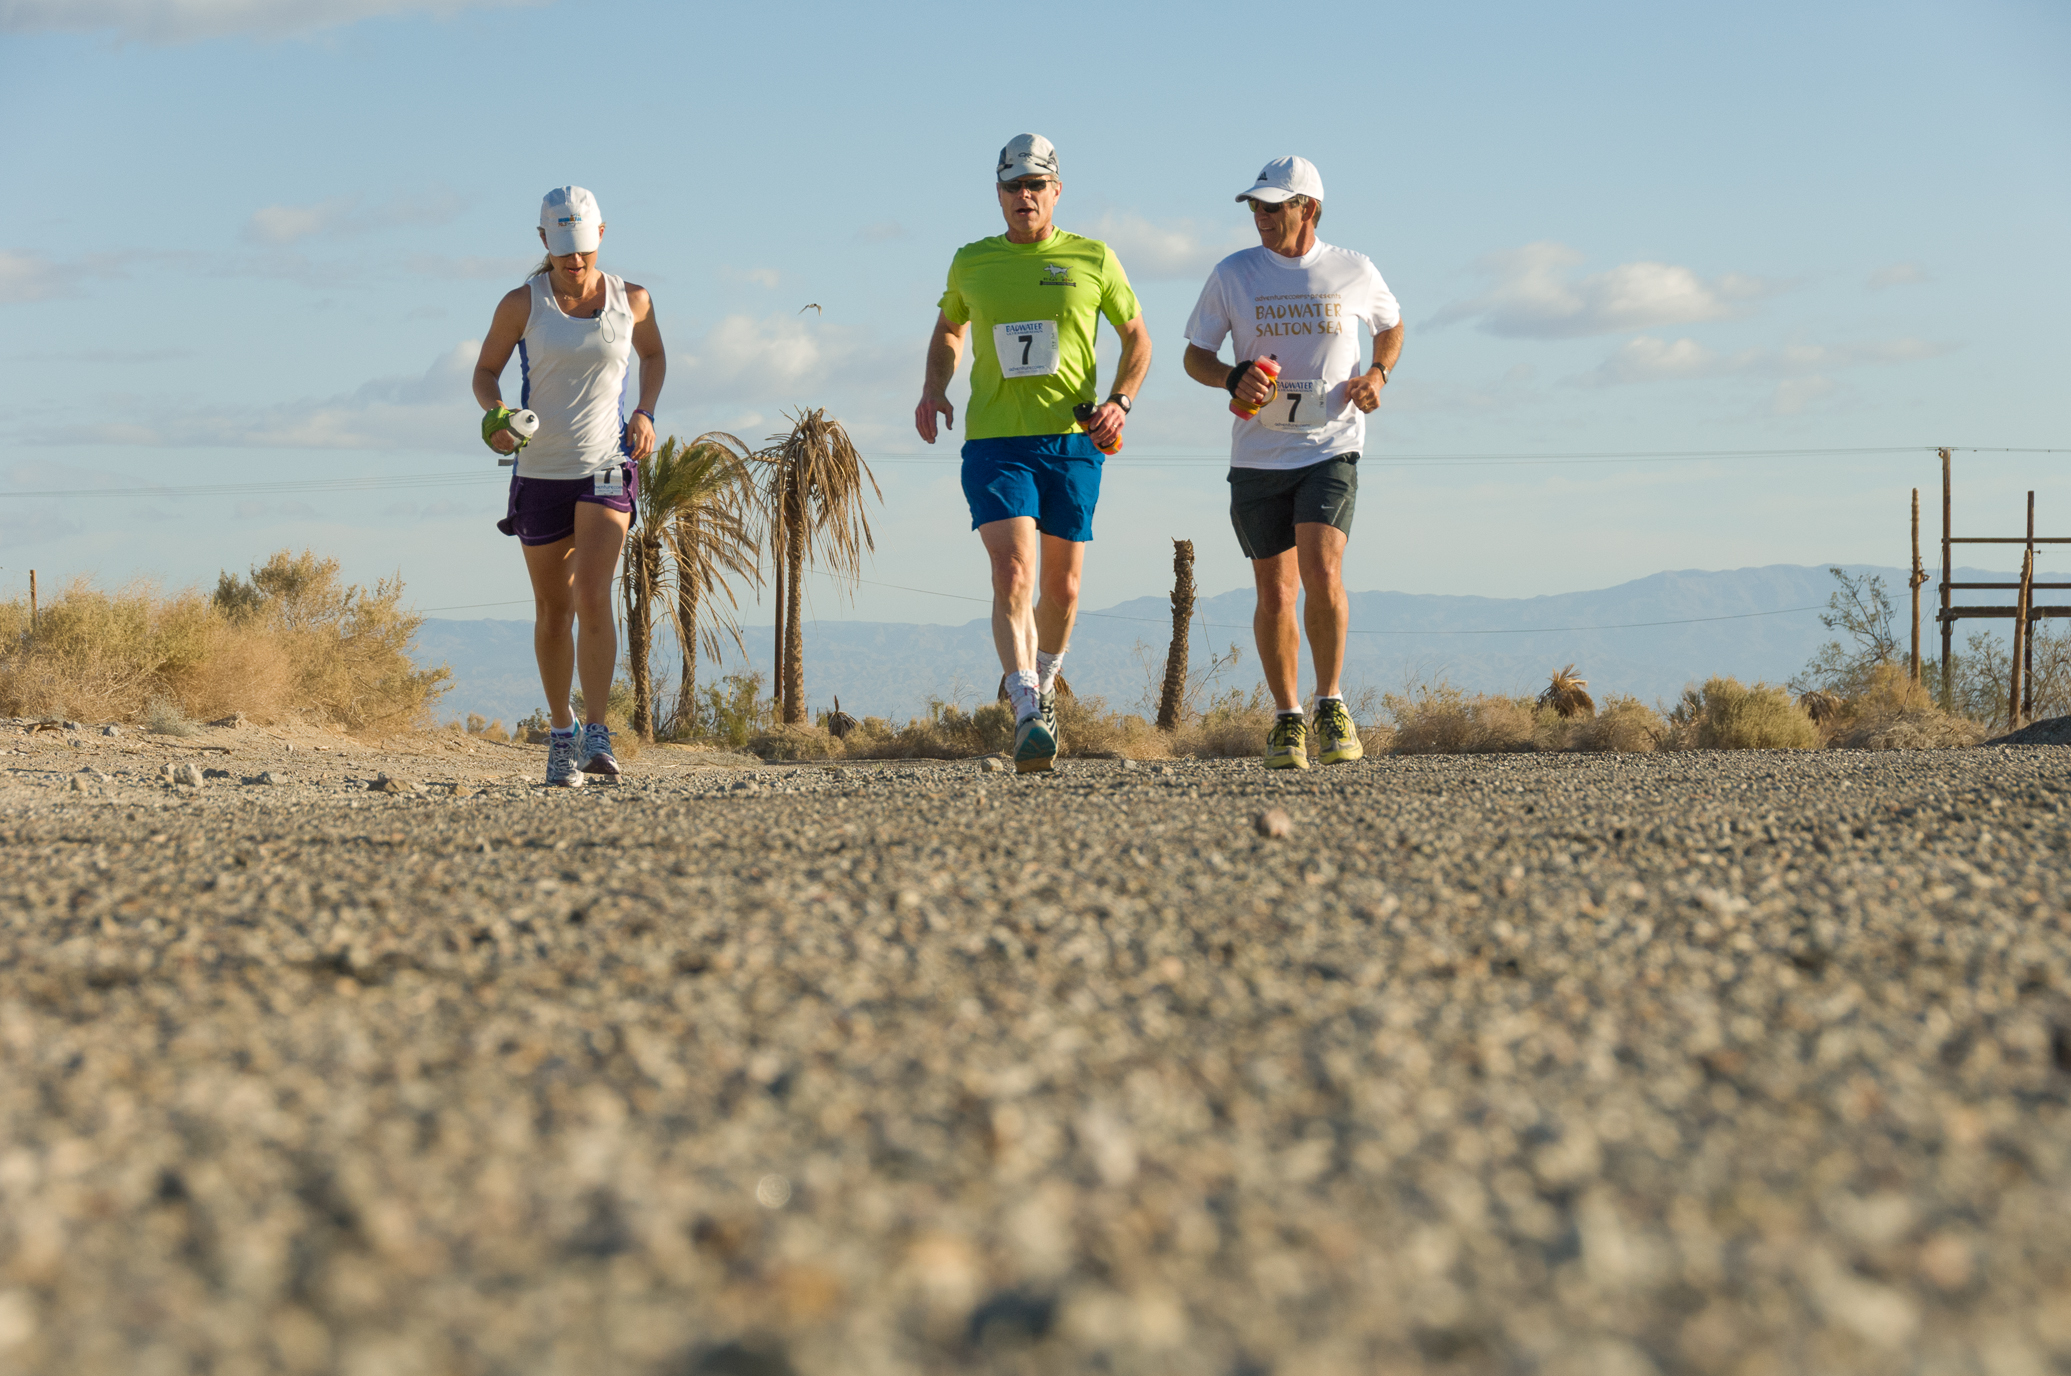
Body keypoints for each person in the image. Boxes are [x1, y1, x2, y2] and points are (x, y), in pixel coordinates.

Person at [915, 133, 1152, 774]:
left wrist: (1120, 402)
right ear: (998, 193)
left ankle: (1044, 683)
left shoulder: (1094, 258)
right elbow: (948, 327)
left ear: (1056, 190)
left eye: (1036, 185)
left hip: (1073, 443)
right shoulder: (972, 262)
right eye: (1013, 185)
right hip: (995, 441)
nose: (1025, 195)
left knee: (1064, 588)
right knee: (1012, 572)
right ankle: (1024, 704)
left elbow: (1138, 339)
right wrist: (934, 387)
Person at [1181, 156, 1403, 770]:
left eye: (1274, 206)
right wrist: (1233, 375)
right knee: (1275, 591)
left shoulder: (1351, 269)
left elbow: (1392, 324)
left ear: (1309, 208)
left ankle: (1331, 703)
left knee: (1322, 569)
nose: (1261, 216)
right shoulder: (1233, 274)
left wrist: (1378, 374)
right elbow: (1195, 355)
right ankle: (1287, 718)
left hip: (1330, 445)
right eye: (1255, 206)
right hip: (1257, 453)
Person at [472, 185, 665, 787]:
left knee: (593, 596)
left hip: (608, 462)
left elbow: (654, 358)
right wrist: (497, 415)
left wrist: (647, 412)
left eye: (582, 251)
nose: (574, 264)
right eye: (563, 254)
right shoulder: (519, 305)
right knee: (554, 611)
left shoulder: (631, 300)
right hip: (539, 471)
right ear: (544, 244)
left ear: (600, 236)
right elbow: (485, 372)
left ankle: (600, 736)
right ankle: (563, 734)